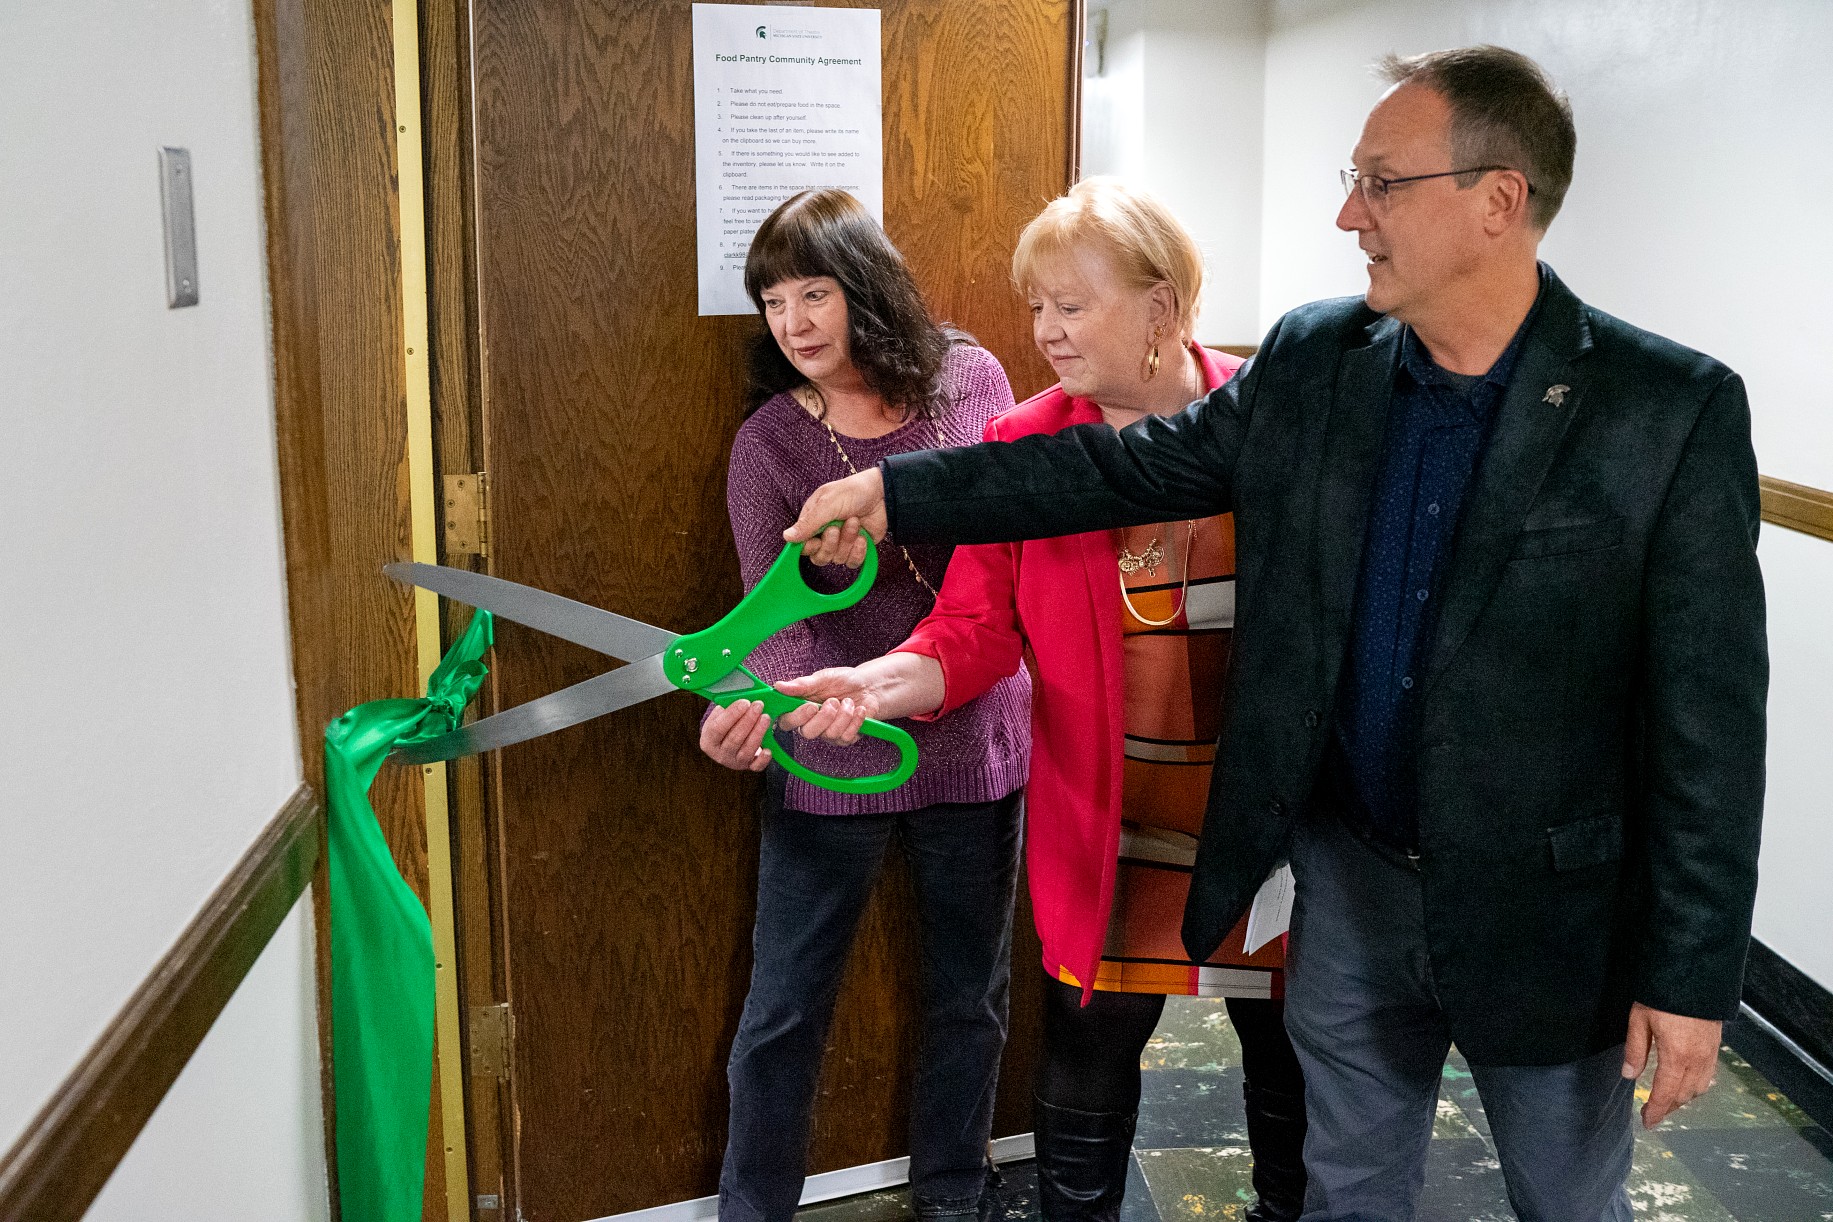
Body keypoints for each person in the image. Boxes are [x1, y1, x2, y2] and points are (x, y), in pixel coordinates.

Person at [781, 46, 1768, 1222]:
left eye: (1381, 183)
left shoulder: (1667, 409)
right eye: (1351, 178)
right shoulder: (1319, 359)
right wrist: (902, 494)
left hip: (1545, 914)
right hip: (1350, 885)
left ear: (1498, 201)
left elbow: (1709, 721)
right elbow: (1121, 465)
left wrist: (1692, 973)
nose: (1349, 213)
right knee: (1344, 1194)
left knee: (1563, 1197)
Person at [776, 179, 1305, 1222]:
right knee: (1087, 1054)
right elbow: (971, 635)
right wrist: (870, 683)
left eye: (1073, 305)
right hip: (1106, 819)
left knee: (1291, 1062)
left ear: (1163, 307)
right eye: (1036, 308)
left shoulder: (1270, 418)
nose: (1046, 332)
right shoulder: (1023, 442)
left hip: (1263, 820)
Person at [700, 188, 1032, 1222]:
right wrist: (810, 708)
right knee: (784, 1010)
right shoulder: (768, 445)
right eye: (771, 301)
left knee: (968, 999)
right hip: (832, 751)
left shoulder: (974, 377)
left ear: (866, 286)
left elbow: (1008, 537)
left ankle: (951, 1194)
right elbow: (770, 623)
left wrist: (895, 526)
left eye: (814, 292)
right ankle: (753, 1208)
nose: (793, 323)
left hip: (976, 734)